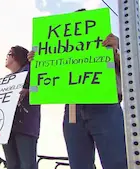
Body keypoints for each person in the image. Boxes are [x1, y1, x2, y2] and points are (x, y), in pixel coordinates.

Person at [27, 11, 127, 169]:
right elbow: (55, 78)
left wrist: (116, 52)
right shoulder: (60, 47)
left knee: (117, 162)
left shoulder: (111, 41)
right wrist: (40, 60)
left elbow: (132, 75)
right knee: (79, 165)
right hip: (73, 109)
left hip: (105, 104)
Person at [3, 45, 41, 169]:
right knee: (12, 164)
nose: (6, 57)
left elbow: (44, 87)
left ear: (16, 56)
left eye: (9, 54)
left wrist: (28, 91)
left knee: (27, 164)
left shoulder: (32, 70)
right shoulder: (6, 79)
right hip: (7, 126)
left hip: (25, 125)